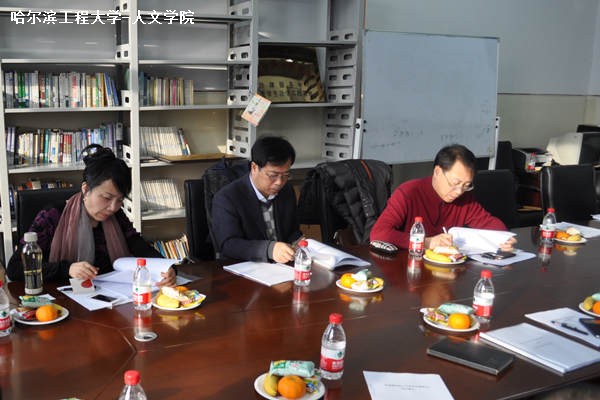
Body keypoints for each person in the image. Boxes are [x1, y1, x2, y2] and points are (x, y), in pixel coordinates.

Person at [7, 145, 176, 286]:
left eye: (120, 200)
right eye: (107, 198)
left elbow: (140, 247)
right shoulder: (53, 216)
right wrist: (67, 269)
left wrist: (167, 268)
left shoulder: (117, 216)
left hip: (111, 299)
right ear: (86, 189)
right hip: (63, 301)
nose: (113, 207)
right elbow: (15, 268)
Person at [370, 144, 516, 250]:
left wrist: (503, 237)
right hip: (407, 267)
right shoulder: (409, 193)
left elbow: (489, 223)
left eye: (466, 185)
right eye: (455, 183)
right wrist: (426, 243)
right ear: (437, 172)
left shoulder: (465, 199)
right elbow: (379, 233)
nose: (459, 191)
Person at [211, 136, 303, 263]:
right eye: (273, 175)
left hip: (282, 266)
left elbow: (292, 231)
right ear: (254, 167)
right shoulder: (227, 198)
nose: (279, 182)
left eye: (286, 175)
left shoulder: (286, 190)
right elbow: (228, 245)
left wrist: (299, 241)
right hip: (245, 266)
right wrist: (269, 249)